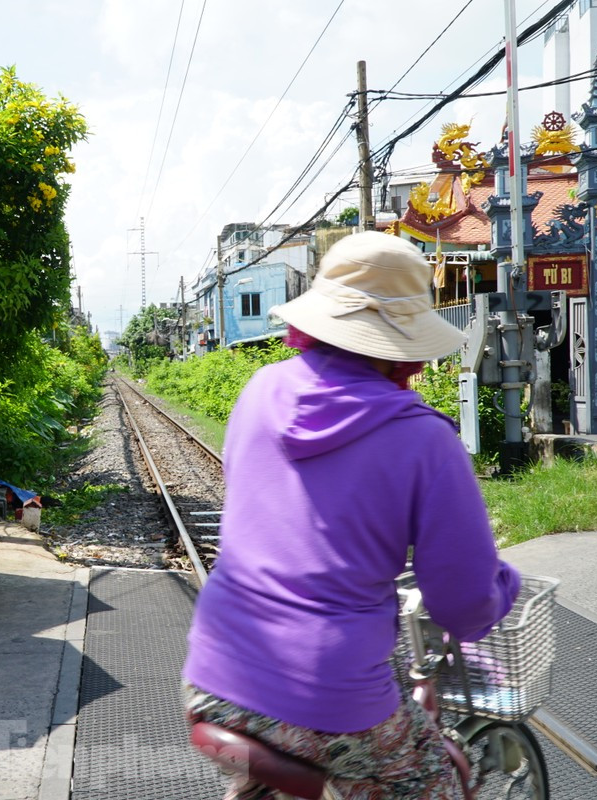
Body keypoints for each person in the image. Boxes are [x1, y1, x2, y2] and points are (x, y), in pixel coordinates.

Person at [183, 231, 521, 800]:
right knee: (434, 779)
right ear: (407, 343)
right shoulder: (423, 439)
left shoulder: (261, 388)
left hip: (214, 675)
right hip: (331, 694)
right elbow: (462, 602)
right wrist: (501, 591)